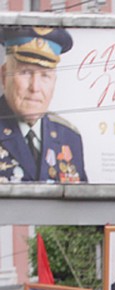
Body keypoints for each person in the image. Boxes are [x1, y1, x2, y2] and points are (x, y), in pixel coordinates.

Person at [0, 26, 86, 184]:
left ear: (54, 81)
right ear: (4, 75)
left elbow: (81, 207)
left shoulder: (68, 137)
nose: (35, 87)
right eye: (25, 72)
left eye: (45, 75)